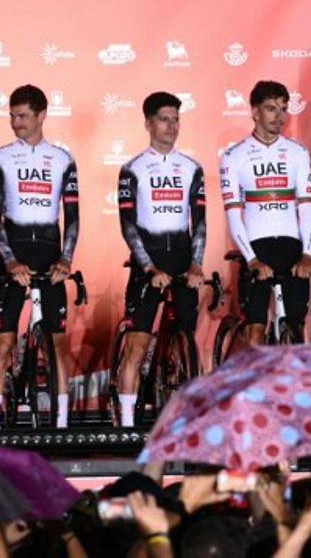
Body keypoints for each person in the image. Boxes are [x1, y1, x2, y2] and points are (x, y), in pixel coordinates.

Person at [0, 85, 79, 429]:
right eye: (11, 115)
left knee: (58, 345)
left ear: (41, 116)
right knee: (2, 342)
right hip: (14, 254)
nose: (15, 122)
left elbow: (73, 215)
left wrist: (66, 259)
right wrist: (9, 260)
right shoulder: (1, 158)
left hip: (50, 254)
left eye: (22, 115)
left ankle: (62, 426)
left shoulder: (63, 159)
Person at [115, 91, 207, 428]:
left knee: (184, 346)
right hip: (147, 263)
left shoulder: (192, 168)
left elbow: (199, 223)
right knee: (137, 346)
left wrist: (196, 264)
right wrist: (148, 267)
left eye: (176, 119)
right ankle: (126, 425)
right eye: (165, 119)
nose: (172, 125)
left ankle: (182, 421)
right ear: (148, 123)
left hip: (183, 260)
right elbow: (128, 225)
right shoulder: (132, 169)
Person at [219, 80, 311, 349]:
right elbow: (233, 212)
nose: (280, 117)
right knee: (255, 334)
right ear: (255, 112)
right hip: (256, 248)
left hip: (291, 246)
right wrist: (251, 259)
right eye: (271, 109)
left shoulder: (298, 153)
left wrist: (308, 253)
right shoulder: (233, 156)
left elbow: (306, 205)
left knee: (296, 329)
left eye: (283, 109)